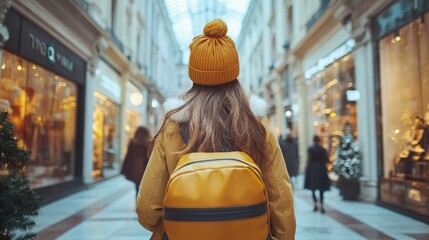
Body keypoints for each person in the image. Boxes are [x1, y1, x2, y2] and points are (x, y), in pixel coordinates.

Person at [136, 19, 296, 240]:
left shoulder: (173, 126)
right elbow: (281, 198)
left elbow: (147, 211)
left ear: (194, 76)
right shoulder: (257, 123)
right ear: (234, 72)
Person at [304, 135, 331, 213]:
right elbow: (327, 160)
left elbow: (309, 160)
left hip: (313, 170)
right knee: (321, 189)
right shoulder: (323, 150)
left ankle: (315, 205)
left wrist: (307, 170)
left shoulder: (310, 149)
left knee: (313, 188)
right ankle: (322, 205)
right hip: (322, 169)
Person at [121, 126, 151, 196]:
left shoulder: (133, 142)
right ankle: (141, 201)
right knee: (143, 186)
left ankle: (137, 200)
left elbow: (128, 156)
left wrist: (125, 168)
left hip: (134, 167)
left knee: (137, 186)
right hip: (145, 167)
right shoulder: (148, 143)